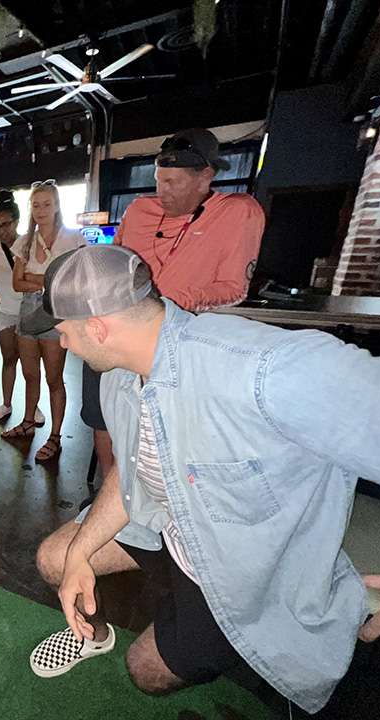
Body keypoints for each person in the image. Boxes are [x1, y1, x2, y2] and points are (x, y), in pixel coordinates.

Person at [24, 244, 380, 716]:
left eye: (64, 332)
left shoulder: (269, 370)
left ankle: (222, 640)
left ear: (98, 328)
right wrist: (83, 551)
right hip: (164, 524)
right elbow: (132, 472)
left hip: (239, 572)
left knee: (145, 671)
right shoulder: (119, 373)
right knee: (57, 559)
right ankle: (97, 634)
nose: (62, 344)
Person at [83, 128, 265, 481]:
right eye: (158, 180)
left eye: (173, 182)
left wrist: (166, 306)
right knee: (103, 416)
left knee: (162, 431)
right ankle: (110, 492)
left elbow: (234, 288)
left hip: (177, 347)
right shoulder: (138, 211)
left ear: (205, 177)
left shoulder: (237, 213)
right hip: (119, 334)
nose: (161, 191)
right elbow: (116, 263)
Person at [1, 180, 86, 463]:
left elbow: (73, 283)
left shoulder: (72, 238)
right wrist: (50, 280)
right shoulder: (24, 241)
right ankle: (28, 421)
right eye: (36, 205)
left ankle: (56, 435)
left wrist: (36, 280)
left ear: (57, 206)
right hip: (27, 311)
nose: (41, 210)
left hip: (54, 312)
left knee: (53, 378)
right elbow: (15, 283)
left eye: (47, 204)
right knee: (30, 374)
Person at [0, 190, 44, 427]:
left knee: (31, 366)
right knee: (9, 359)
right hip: (6, 313)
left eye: (5, 224)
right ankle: (6, 403)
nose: (1, 230)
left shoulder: (28, 245)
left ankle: (33, 406)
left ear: (16, 222)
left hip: (29, 312)